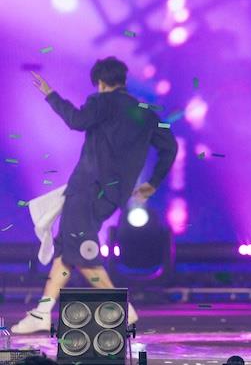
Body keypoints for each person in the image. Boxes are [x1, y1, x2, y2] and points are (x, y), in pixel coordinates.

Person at [12, 57, 177, 334]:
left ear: (100, 83)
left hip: (87, 189)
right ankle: (42, 312)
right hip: (112, 195)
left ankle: (122, 308)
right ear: (122, 80)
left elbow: (76, 120)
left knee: (81, 251)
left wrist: (51, 95)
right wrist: (153, 183)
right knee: (67, 249)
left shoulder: (101, 102)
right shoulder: (145, 112)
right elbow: (170, 146)